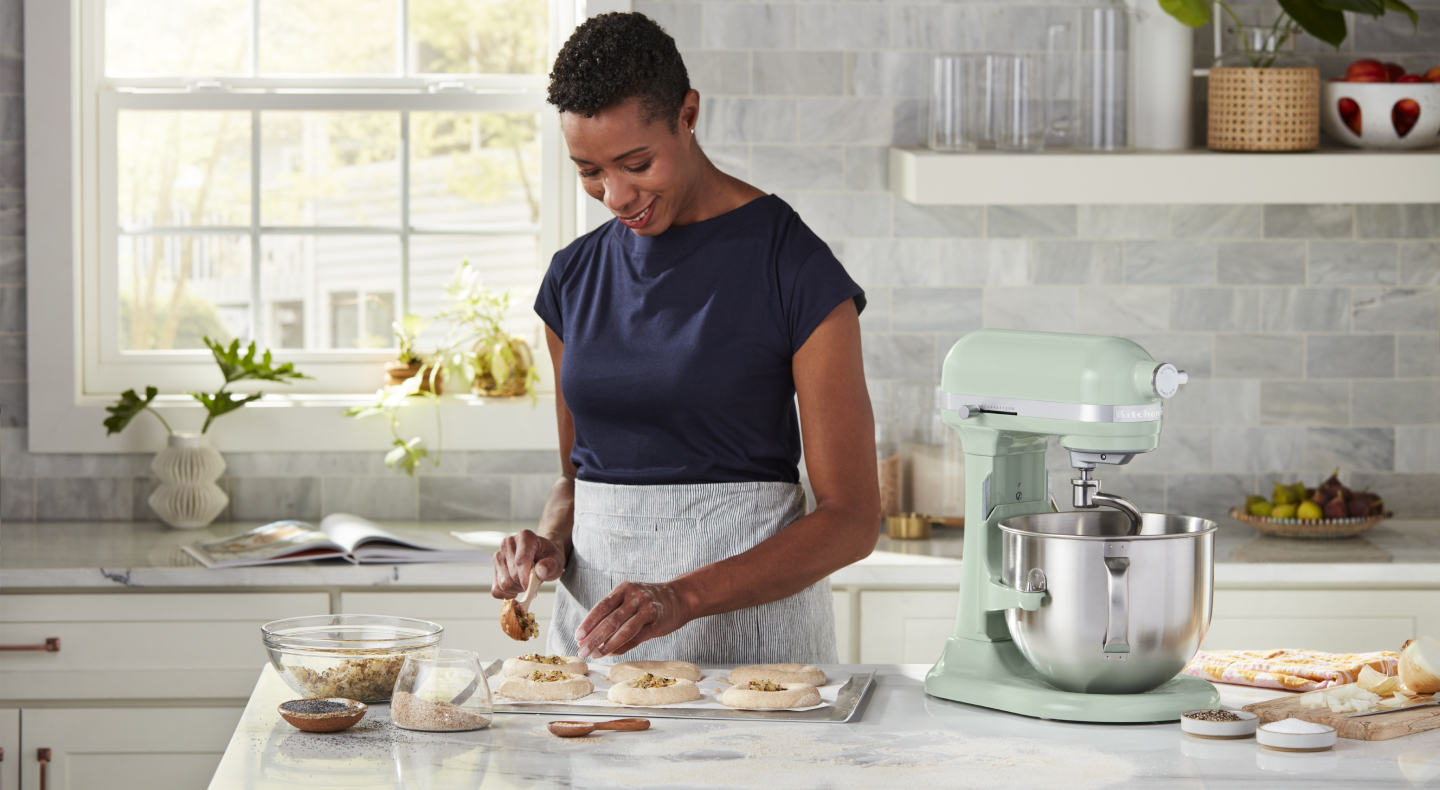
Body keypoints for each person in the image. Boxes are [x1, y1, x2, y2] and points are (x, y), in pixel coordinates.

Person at [490, 12, 880, 664]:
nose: (614, 194)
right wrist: (549, 546)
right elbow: (576, 479)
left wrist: (683, 598)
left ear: (688, 112)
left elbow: (851, 520)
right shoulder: (572, 279)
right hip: (598, 647)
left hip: (755, 651)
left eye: (635, 162)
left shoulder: (791, 265)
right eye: (588, 171)